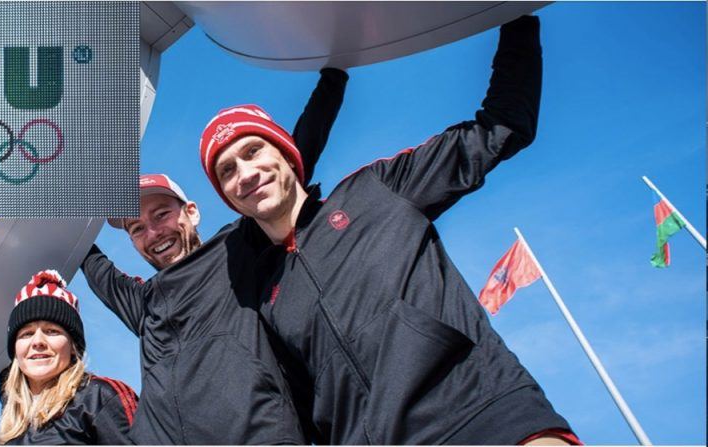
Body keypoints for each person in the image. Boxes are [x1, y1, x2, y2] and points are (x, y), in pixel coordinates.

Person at [199, 15, 580, 445]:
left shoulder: (379, 190)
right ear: (227, 197)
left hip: (484, 415)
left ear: (289, 156)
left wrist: (515, 17)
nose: (245, 173)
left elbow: (502, 127)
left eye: (253, 151)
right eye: (227, 170)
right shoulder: (263, 295)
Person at [80, 68, 348, 444]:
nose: (153, 232)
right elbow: (81, 254)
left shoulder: (236, 250)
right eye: (136, 228)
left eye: (161, 214)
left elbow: (293, 162)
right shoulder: (142, 304)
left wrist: (333, 78)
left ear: (192, 211)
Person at [0, 270, 138, 445]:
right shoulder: (12, 419)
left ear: (73, 346)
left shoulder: (99, 397)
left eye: (52, 331)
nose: (38, 341)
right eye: (27, 334)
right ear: (15, 349)